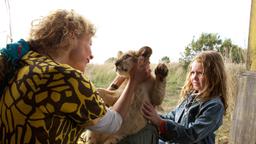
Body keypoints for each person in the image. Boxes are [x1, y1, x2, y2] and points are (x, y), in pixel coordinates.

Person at [0, 9, 150, 143]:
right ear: (71, 35)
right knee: (147, 132)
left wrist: (118, 82)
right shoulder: (65, 76)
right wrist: (134, 81)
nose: (92, 55)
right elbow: (113, 123)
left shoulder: (25, 60)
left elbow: (90, 107)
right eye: (89, 43)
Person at [142, 51, 228, 144]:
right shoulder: (192, 96)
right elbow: (173, 116)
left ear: (214, 76)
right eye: (192, 72)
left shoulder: (215, 106)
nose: (194, 77)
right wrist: (150, 115)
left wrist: (160, 123)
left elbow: (191, 134)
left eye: (200, 73)